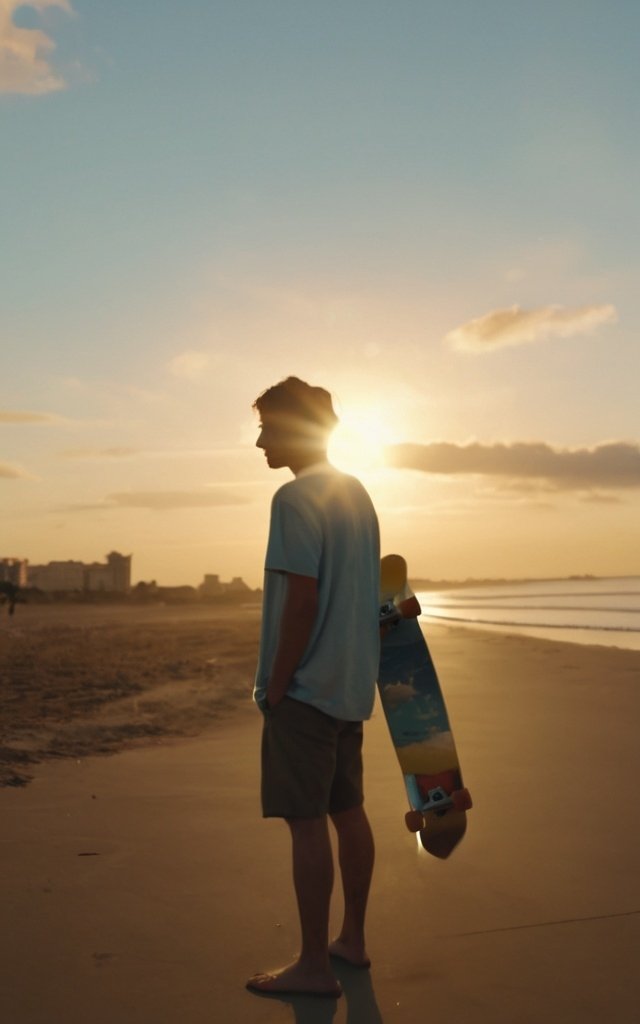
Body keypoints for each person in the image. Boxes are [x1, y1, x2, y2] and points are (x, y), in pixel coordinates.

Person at [246, 376, 380, 999]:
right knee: (347, 812)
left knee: (306, 824)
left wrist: (275, 686)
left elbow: (301, 601)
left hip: (304, 691)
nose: (259, 442)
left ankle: (313, 966)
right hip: (350, 687)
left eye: (269, 428)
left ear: (297, 429)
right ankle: (350, 939)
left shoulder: (293, 499)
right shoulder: (357, 494)